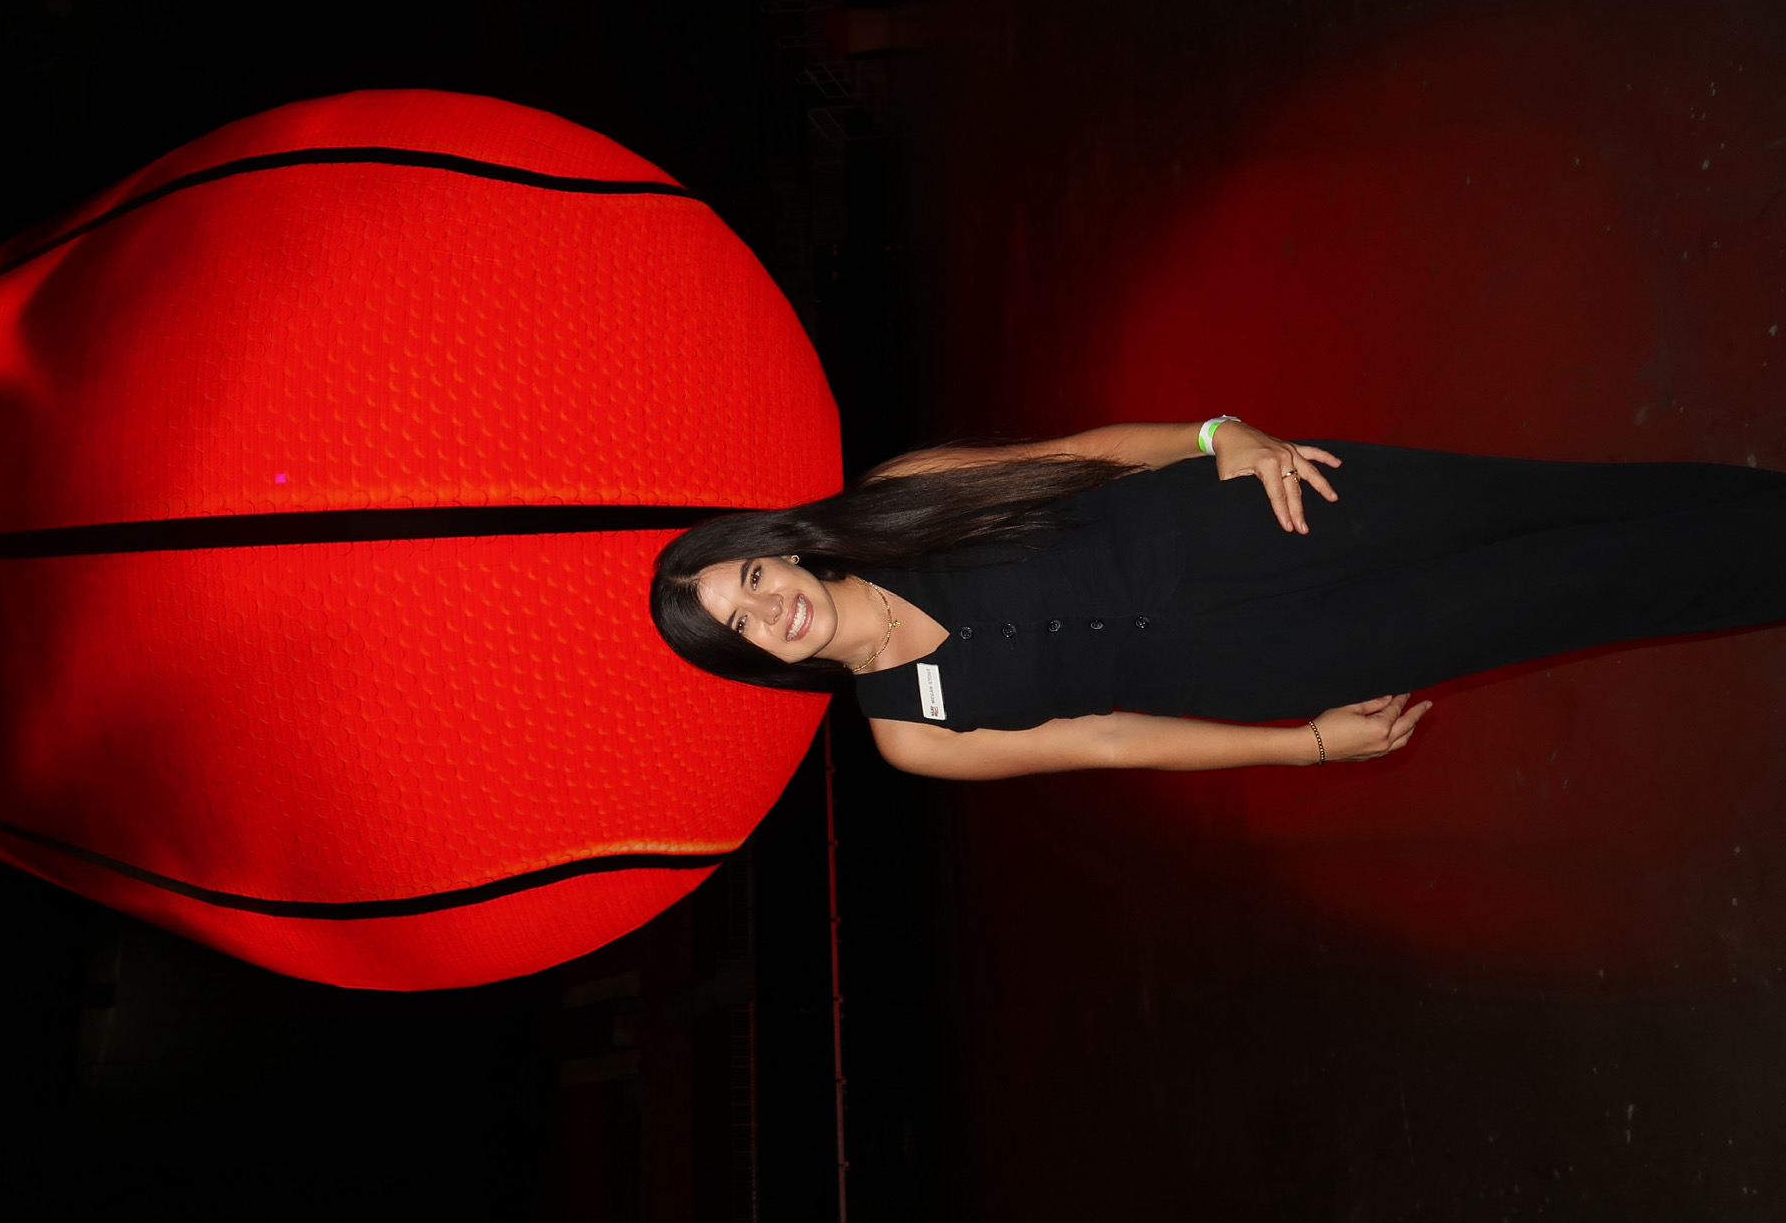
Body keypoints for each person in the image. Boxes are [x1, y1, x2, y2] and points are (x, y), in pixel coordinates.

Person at [650, 417, 1786, 780]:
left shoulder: (898, 496)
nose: (769, 606)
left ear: (777, 549)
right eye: (742, 625)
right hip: (1274, 659)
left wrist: (1215, 434)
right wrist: (1307, 746)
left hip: (1258, 516)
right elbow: (1108, 740)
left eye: (751, 575)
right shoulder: (909, 734)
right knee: (1562, 597)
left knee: (1542, 503)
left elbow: (1079, 459)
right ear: (757, 657)